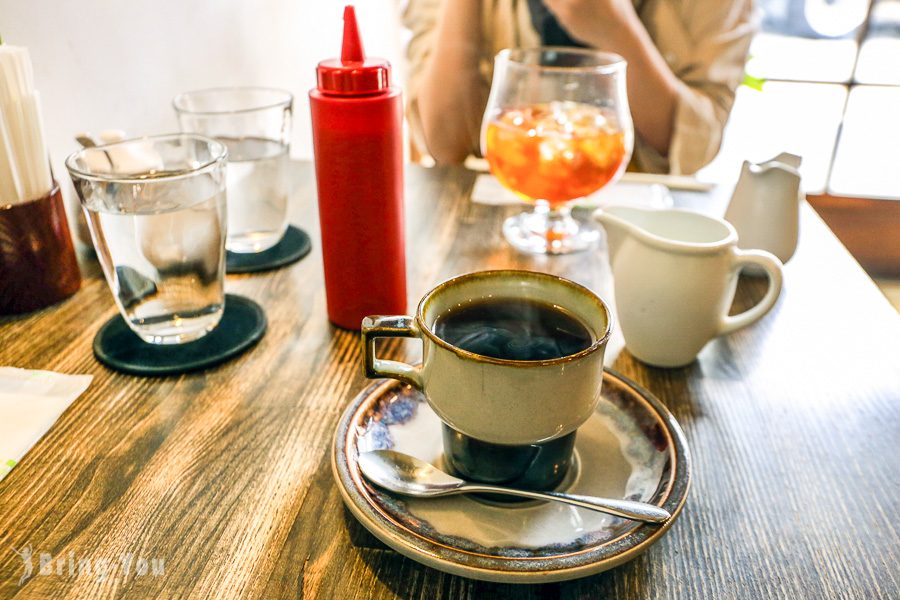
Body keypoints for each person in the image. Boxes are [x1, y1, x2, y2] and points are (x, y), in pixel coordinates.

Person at [403, 0, 753, 174]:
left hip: (642, 221)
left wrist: (615, 31)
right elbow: (443, 145)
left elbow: (697, 146)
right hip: (496, 217)